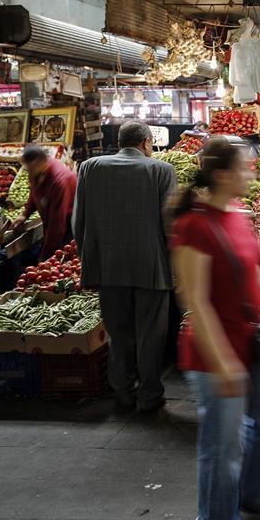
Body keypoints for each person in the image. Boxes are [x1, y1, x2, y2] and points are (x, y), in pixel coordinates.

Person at [170, 136, 260, 520]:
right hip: (213, 353)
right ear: (222, 174)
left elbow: (255, 268)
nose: (250, 171)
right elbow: (196, 302)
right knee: (222, 448)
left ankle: (246, 495)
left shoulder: (239, 213)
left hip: (249, 341)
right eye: (244, 166)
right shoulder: (193, 226)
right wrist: (223, 363)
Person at [73, 121, 176, 412]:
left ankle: (122, 392)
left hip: (108, 266)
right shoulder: (160, 170)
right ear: (146, 143)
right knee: (150, 337)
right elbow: (171, 225)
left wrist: (87, 259)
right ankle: (149, 395)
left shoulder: (90, 167)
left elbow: (78, 221)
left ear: (120, 142)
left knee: (118, 334)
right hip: (151, 269)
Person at [11, 145, 77, 261]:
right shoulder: (36, 171)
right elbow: (34, 192)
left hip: (68, 227)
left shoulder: (60, 182)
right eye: (28, 169)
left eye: (31, 169)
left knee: (62, 260)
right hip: (50, 221)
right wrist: (25, 214)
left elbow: (57, 224)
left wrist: (46, 256)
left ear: (41, 163)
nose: (29, 173)